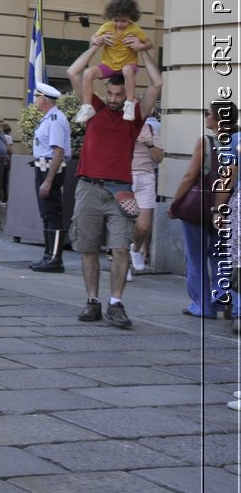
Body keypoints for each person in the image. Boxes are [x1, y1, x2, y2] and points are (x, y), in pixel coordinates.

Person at [67, 45, 164, 328]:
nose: (113, 99)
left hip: (120, 190)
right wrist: (96, 46)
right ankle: (92, 301)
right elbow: (75, 71)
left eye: (119, 95)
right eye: (109, 93)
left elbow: (157, 83)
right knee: (87, 249)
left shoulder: (134, 116)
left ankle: (116, 303)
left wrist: (143, 52)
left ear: (127, 96)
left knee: (121, 248)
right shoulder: (93, 108)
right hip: (88, 187)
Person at [167, 100, 235, 319]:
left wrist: (175, 204)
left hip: (199, 206)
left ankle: (201, 305)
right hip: (226, 207)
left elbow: (190, 176)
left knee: (195, 257)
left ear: (216, 120)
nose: (205, 118)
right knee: (220, 256)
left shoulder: (205, 142)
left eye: (208, 114)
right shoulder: (236, 141)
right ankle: (222, 299)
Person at [76, 0, 152, 124]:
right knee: (88, 73)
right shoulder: (107, 27)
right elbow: (94, 38)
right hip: (109, 65)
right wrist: (94, 39)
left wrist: (141, 46)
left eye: (123, 21)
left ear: (131, 18)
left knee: (128, 70)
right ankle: (87, 107)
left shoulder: (135, 29)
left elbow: (150, 44)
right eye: (116, 20)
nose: (119, 24)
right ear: (111, 17)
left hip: (128, 64)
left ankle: (129, 105)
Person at [28, 82, 72, 273]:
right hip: (43, 168)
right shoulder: (49, 118)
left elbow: (58, 151)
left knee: (52, 213)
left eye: (37, 97)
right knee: (47, 214)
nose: (35, 101)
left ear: (44, 99)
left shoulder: (54, 119)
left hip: (50, 170)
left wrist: (48, 180)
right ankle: (49, 255)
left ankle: (55, 258)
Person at [130, 109, 164, 273]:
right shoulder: (120, 126)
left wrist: (149, 143)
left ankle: (135, 250)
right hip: (123, 176)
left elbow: (159, 158)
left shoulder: (149, 128)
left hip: (145, 176)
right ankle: (122, 265)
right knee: (122, 224)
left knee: (143, 226)